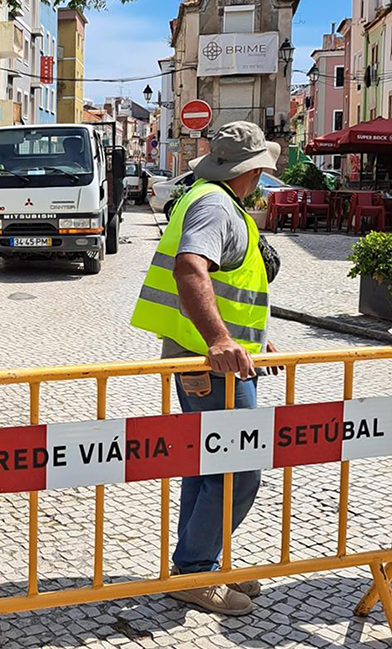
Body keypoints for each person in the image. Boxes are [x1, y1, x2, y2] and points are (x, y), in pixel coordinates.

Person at [130, 121, 282, 616]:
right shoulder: (217, 205)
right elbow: (191, 268)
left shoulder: (212, 198)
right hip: (211, 365)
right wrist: (220, 339)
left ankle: (196, 565)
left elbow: (225, 284)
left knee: (207, 463)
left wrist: (249, 339)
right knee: (240, 468)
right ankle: (195, 571)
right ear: (254, 170)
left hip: (208, 359)